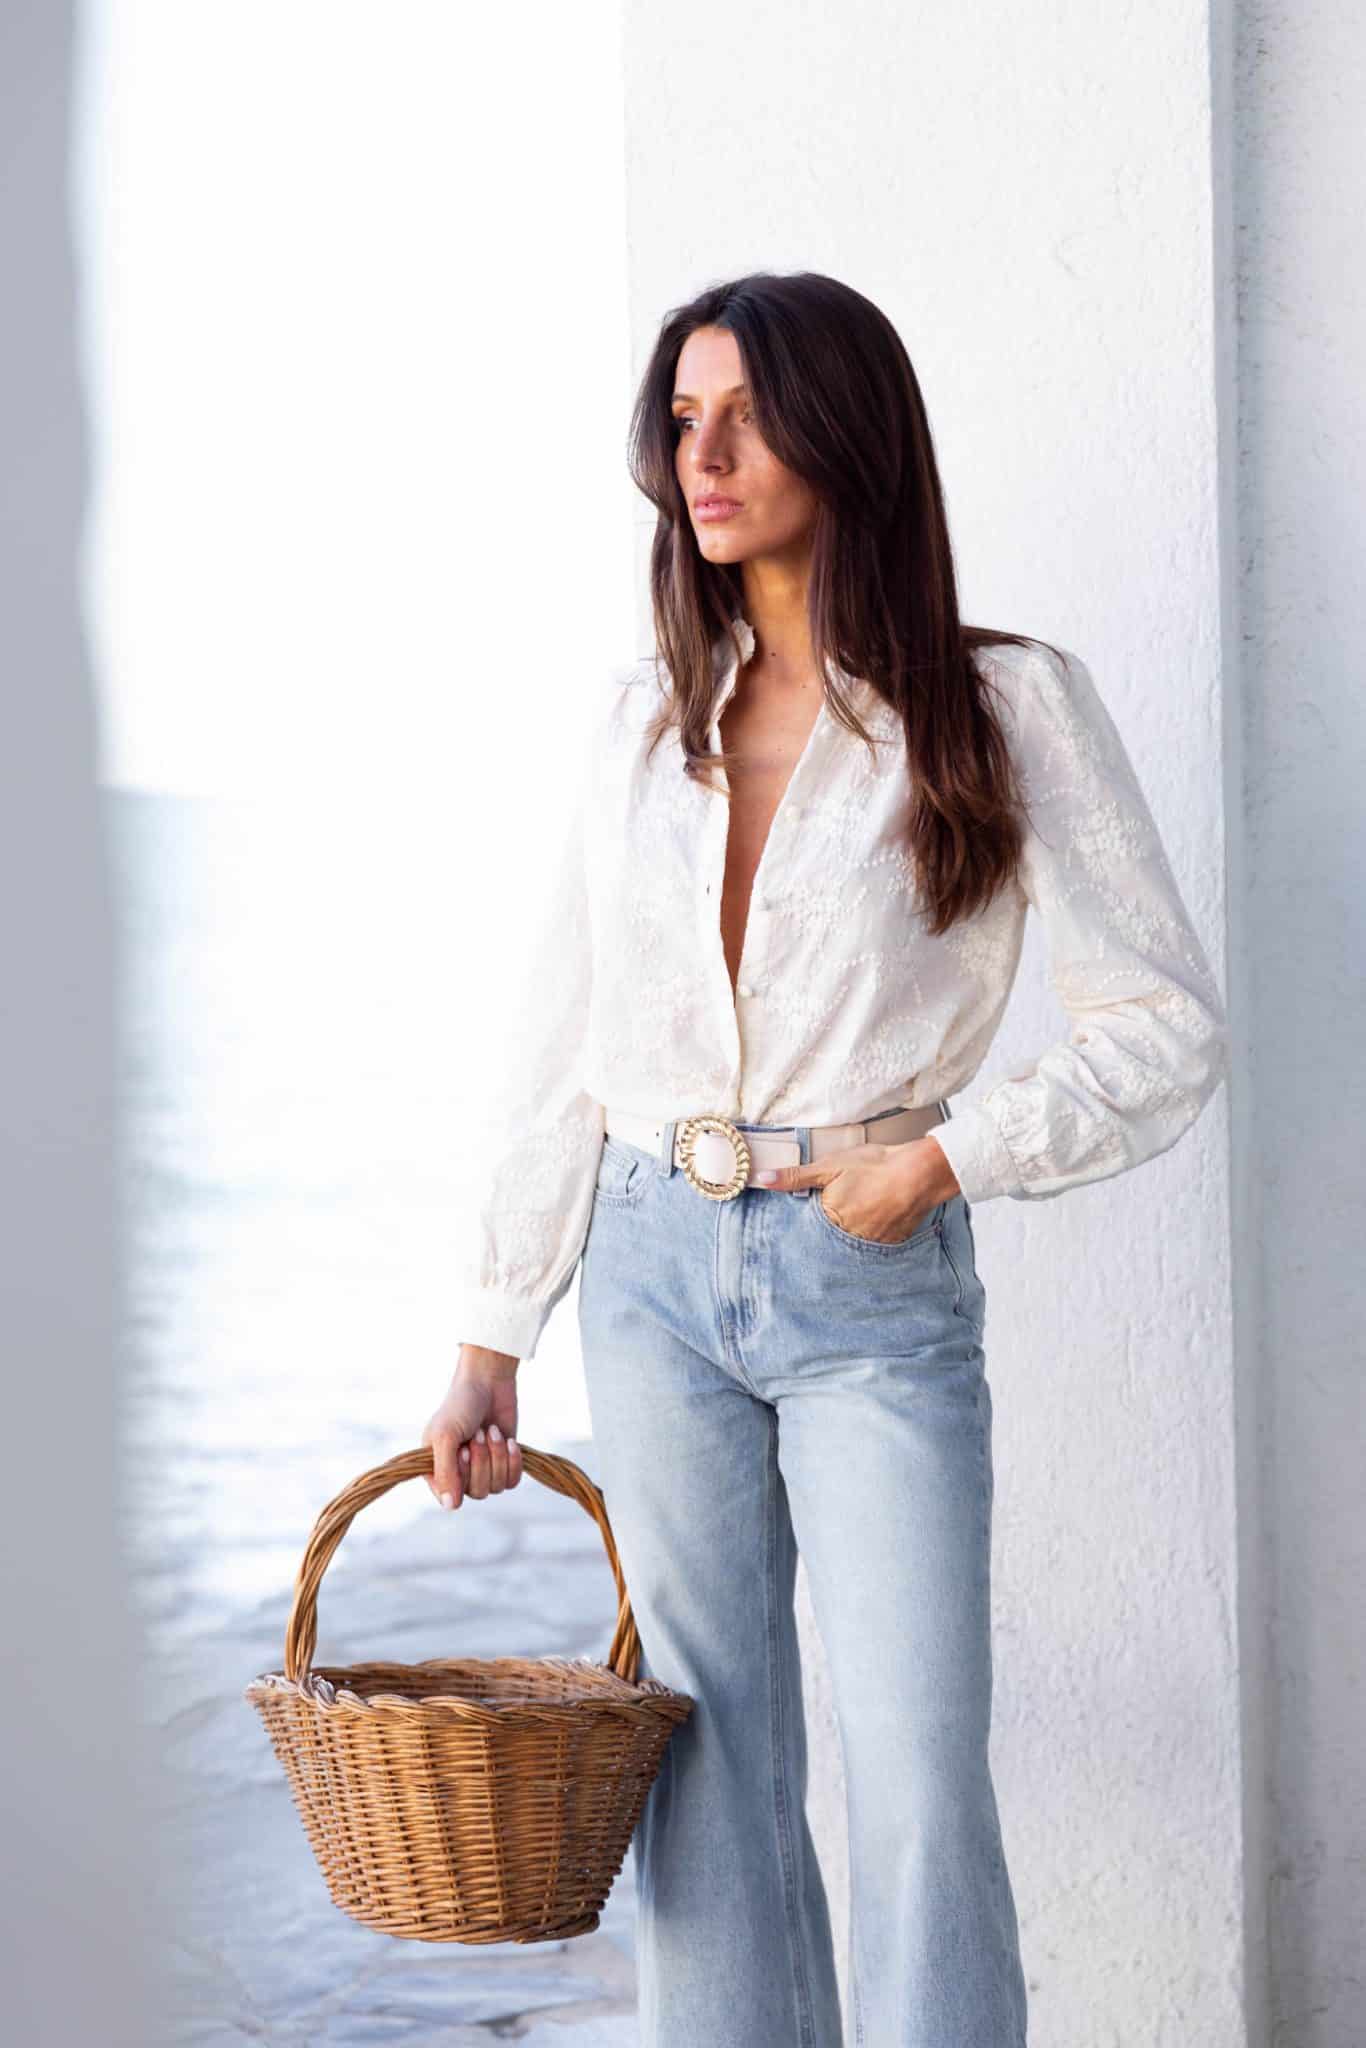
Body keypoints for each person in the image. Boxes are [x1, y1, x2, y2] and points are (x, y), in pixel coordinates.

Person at [421, 269, 1228, 2048]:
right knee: (704, 1765)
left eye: (744, 416)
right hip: (646, 1273)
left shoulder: (1002, 704)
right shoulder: (638, 720)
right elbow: (564, 1040)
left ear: (845, 435)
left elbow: (1164, 1025)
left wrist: (940, 1163)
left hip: (868, 1268)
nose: (698, 457)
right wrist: (492, 1329)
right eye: (680, 418)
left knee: (917, 1770)